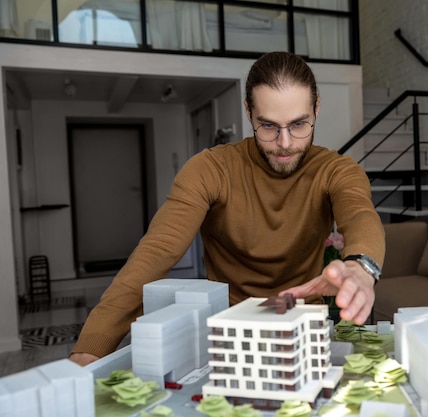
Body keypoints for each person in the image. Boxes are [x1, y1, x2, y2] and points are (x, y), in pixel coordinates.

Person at [69, 51, 385, 366]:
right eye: (268, 126)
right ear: (248, 112)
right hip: (228, 329)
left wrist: (361, 268)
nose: (285, 143)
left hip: (303, 324)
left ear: (316, 108)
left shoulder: (336, 170)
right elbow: (157, 250)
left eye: (299, 124)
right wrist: (90, 349)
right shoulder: (211, 168)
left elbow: (359, 215)